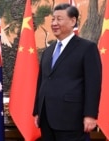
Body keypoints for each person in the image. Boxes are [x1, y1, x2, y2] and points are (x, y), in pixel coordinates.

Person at [33, 3, 102, 141]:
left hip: (72, 119)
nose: (54, 23)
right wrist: (37, 111)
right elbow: (42, 81)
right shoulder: (48, 51)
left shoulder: (87, 48)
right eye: (53, 19)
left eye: (59, 19)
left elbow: (93, 84)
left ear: (73, 21)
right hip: (46, 119)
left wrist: (90, 115)